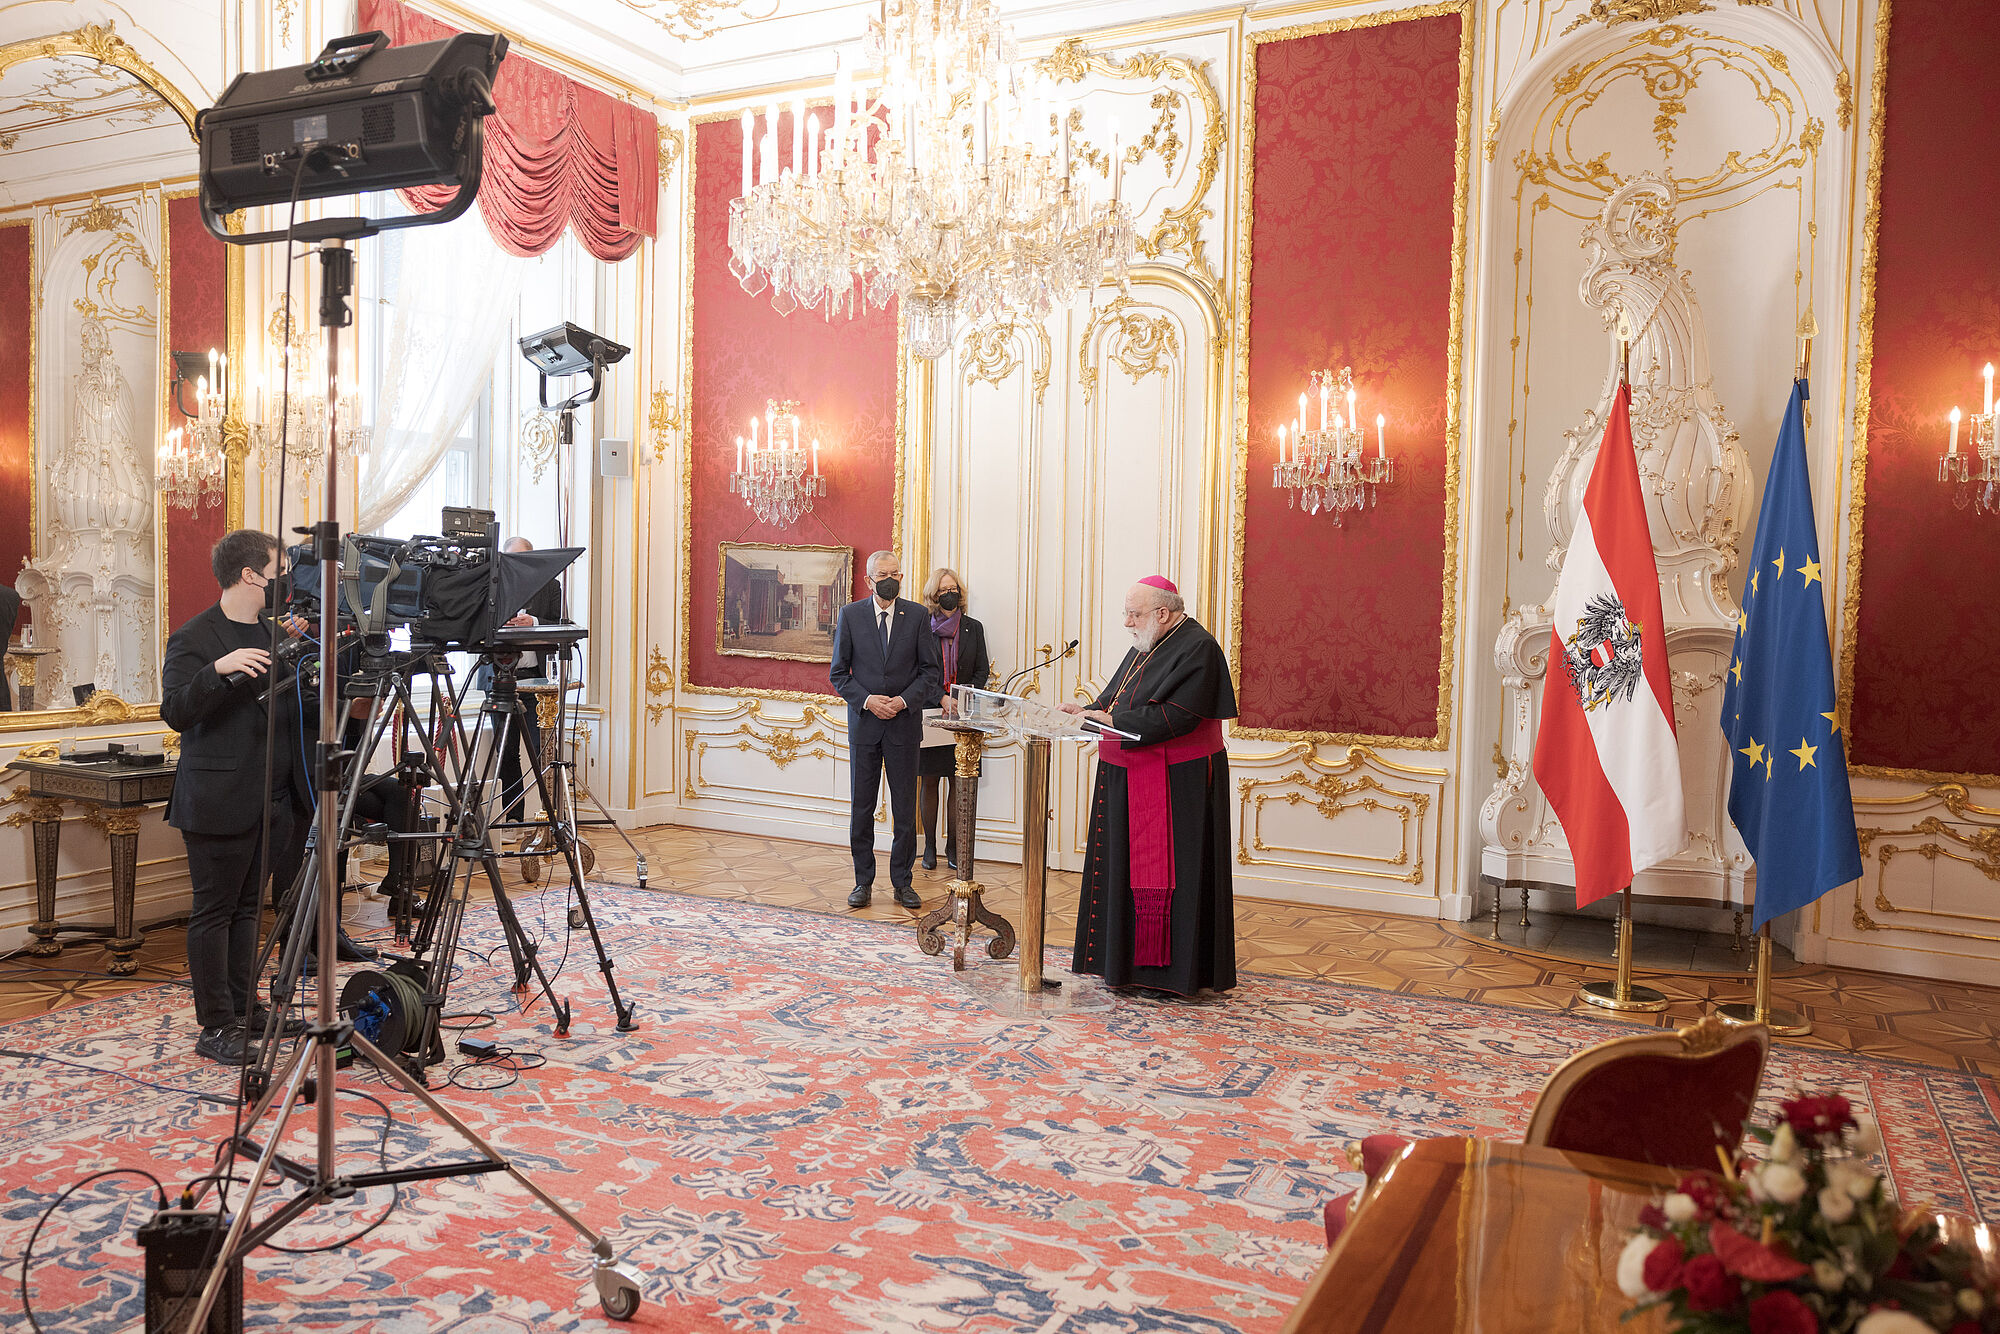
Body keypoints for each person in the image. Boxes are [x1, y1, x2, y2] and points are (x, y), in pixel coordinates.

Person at [160, 530, 314, 1064]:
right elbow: (176, 711)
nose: (287, 580)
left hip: (273, 799)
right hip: (217, 799)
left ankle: (246, 1009)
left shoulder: (276, 633)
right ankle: (216, 1026)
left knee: (250, 909)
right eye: (280, 571)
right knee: (214, 912)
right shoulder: (194, 636)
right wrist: (218, 671)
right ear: (251, 575)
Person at [1061, 575, 1238, 999]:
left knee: (1176, 877)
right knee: (1122, 872)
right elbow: (1117, 697)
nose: (1126, 622)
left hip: (1179, 783)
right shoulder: (1148, 642)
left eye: (1133, 614)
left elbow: (1179, 717)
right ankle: (1121, 967)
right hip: (1129, 773)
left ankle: (1168, 976)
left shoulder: (1198, 647)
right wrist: (1085, 710)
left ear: (1162, 613)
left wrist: (1112, 721)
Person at [829, 550, 942, 910]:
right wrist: (867, 701)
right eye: (883, 574)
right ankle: (862, 882)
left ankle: (902, 883)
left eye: (895, 573)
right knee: (862, 809)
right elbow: (838, 674)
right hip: (865, 727)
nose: (890, 579)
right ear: (869, 580)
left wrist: (903, 701)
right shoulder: (850, 615)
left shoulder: (918, 616)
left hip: (903, 728)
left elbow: (930, 673)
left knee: (904, 811)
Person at [488, 536, 565, 825]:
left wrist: (534, 622)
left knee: (543, 750)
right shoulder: (492, 588)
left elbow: (562, 625)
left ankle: (551, 817)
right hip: (500, 680)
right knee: (506, 753)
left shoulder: (550, 586)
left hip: (537, 682)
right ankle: (513, 819)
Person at [917, 568, 990, 871]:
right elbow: (918, 671)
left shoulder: (973, 627)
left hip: (965, 715)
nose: (950, 594)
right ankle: (929, 847)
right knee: (930, 780)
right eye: (944, 589)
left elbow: (982, 670)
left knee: (958, 781)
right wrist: (942, 698)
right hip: (931, 712)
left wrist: (964, 698)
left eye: (954, 588)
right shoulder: (923, 628)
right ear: (934, 595)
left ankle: (953, 848)